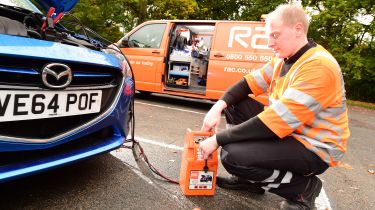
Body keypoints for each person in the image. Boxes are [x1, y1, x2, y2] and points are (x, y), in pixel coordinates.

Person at [199, 4, 350, 210]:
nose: (270, 43)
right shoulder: (283, 58)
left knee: (233, 157)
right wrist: (217, 107)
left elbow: (273, 122)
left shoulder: (318, 66)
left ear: (298, 29)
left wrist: (217, 140)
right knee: (235, 105)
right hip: (289, 132)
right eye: (268, 36)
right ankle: (248, 180)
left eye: (275, 36)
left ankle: (303, 188)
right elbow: (247, 84)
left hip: (314, 147)